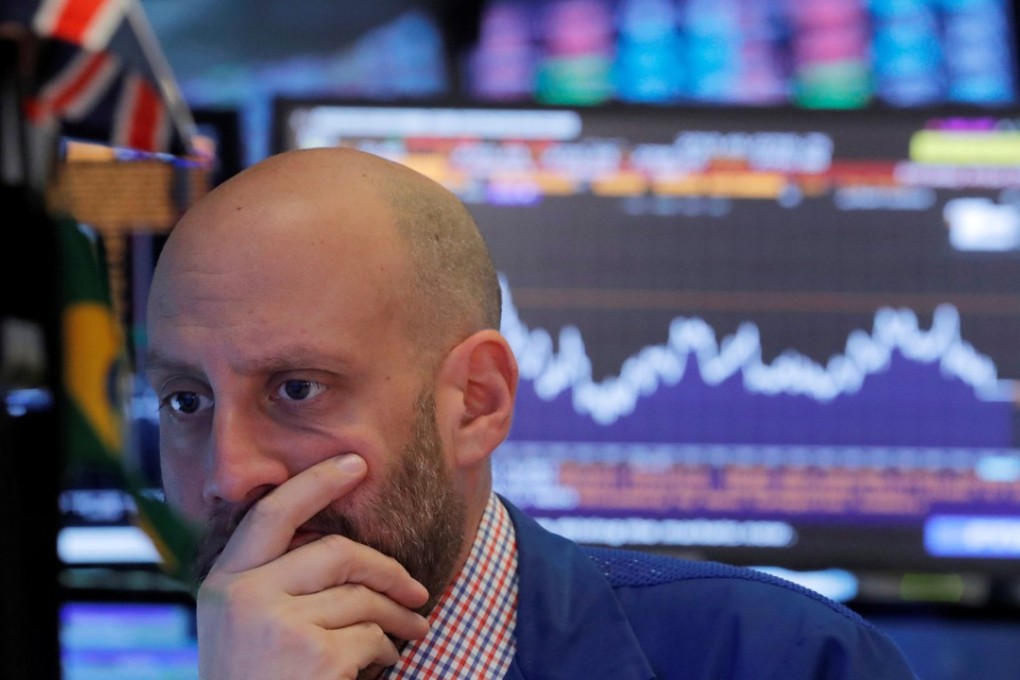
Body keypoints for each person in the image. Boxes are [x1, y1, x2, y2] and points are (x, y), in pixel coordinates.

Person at [145, 146, 918, 679]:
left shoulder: (783, 660)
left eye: (298, 389)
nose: (228, 472)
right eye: (187, 401)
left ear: (476, 403)